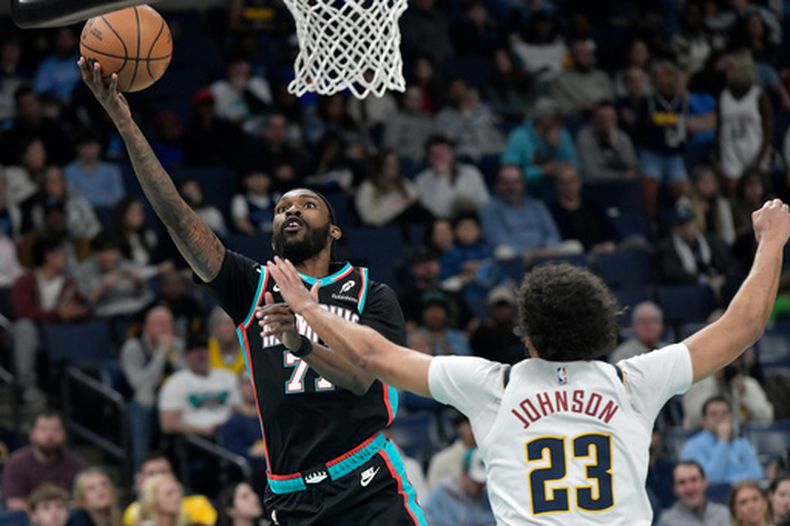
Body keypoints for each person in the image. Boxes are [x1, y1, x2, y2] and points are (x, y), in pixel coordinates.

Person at [263, 192, 790, 524]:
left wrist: (311, 307)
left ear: (527, 334)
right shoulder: (634, 381)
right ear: (598, 328)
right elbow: (742, 326)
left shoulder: (492, 385)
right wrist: (771, 242)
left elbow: (376, 355)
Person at [81, 52, 426, 525]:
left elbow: (363, 376)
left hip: (366, 480)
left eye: (307, 204)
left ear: (334, 230)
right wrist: (125, 125)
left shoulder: (370, 292)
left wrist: (300, 342)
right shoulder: (256, 286)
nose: (292, 211)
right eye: (284, 207)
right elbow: (178, 218)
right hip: (291, 497)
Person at [11, 237, 88, 403]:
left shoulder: (69, 284)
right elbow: (22, 311)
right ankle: (27, 386)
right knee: (24, 327)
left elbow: (77, 308)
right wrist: (56, 314)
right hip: (34, 333)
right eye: (61, 254)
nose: (64, 259)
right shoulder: (25, 281)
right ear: (49, 256)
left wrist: (76, 312)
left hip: (59, 333)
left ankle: (77, 389)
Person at [120, 306, 184, 471]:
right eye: (158, 324)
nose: (164, 329)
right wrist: (161, 354)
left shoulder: (177, 345)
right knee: (143, 407)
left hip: (174, 401)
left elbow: (187, 377)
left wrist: (174, 357)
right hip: (144, 401)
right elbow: (142, 386)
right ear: (147, 327)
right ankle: (139, 472)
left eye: (167, 324)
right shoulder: (133, 348)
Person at [157, 334, 240, 438]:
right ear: (186, 356)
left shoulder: (228, 376)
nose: (200, 355)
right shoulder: (175, 382)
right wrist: (201, 430)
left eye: (204, 349)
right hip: (193, 439)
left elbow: (238, 409)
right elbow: (167, 424)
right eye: (195, 351)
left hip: (229, 433)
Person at [2, 411, 86, 511]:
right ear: (32, 434)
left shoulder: (75, 464)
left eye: (56, 429)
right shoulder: (16, 462)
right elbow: (14, 504)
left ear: (64, 434)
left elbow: (84, 500)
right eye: (43, 429)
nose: (50, 435)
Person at [680, 396, 763, 484]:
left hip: (744, 494)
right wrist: (723, 442)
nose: (720, 418)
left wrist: (727, 481)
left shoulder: (743, 443)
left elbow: (757, 475)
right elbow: (708, 480)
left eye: (725, 413)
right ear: (704, 421)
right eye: (713, 414)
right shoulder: (692, 447)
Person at [501, 97, 579, 187]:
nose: (560, 122)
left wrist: (560, 147)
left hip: (557, 187)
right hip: (526, 188)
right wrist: (542, 171)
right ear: (544, 119)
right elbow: (508, 174)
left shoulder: (562, 134)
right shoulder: (518, 137)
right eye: (556, 118)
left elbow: (575, 168)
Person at [123, 452, 216, 526]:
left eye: (163, 472)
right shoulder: (134, 511)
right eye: (152, 474)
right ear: (141, 480)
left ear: (173, 475)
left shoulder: (199, 503)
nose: (159, 477)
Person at [414, 136, 490, 218]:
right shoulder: (421, 179)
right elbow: (432, 211)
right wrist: (442, 178)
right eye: (434, 154)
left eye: (443, 152)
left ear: (452, 154)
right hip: (439, 224)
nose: (440, 157)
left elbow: (485, 203)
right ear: (429, 158)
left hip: (469, 221)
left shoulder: (471, 173)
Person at [423, 447, 496, 526]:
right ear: (464, 473)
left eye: (482, 483)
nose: (479, 486)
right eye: (475, 482)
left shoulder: (486, 499)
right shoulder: (438, 497)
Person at [576, 102, 639, 182]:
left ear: (616, 119)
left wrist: (615, 146)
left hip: (621, 186)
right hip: (596, 186)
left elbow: (632, 167)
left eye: (610, 118)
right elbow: (590, 173)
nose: (606, 122)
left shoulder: (622, 138)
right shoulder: (585, 137)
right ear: (594, 119)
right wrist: (621, 176)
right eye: (601, 118)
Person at [551, 39, 615, 117]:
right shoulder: (561, 80)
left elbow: (610, 100)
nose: (584, 56)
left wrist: (593, 107)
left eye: (587, 53)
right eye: (579, 53)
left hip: (604, 117)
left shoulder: (602, 76)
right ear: (572, 56)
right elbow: (562, 107)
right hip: (576, 119)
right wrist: (581, 108)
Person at [656, 461, 730, 526]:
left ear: (705, 482)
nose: (689, 488)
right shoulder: (667, 522)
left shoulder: (724, 514)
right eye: (682, 482)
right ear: (674, 489)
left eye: (693, 480)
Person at [63, 131, 124, 209]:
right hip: (80, 214)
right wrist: (104, 197)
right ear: (78, 148)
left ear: (99, 147)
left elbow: (119, 198)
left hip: (109, 213)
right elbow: (71, 198)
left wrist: (85, 198)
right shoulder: (68, 171)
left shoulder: (112, 170)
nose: (89, 149)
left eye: (92, 145)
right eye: (85, 145)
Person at [426, 413, 476, 489]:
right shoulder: (441, 460)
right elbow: (434, 495)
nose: (474, 429)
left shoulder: (494, 456)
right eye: (468, 424)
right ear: (459, 427)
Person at [207, 306, 244, 374]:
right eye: (223, 324)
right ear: (215, 327)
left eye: (231, 323)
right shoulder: (207, 349)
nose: (227, 329)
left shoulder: (246, 348)